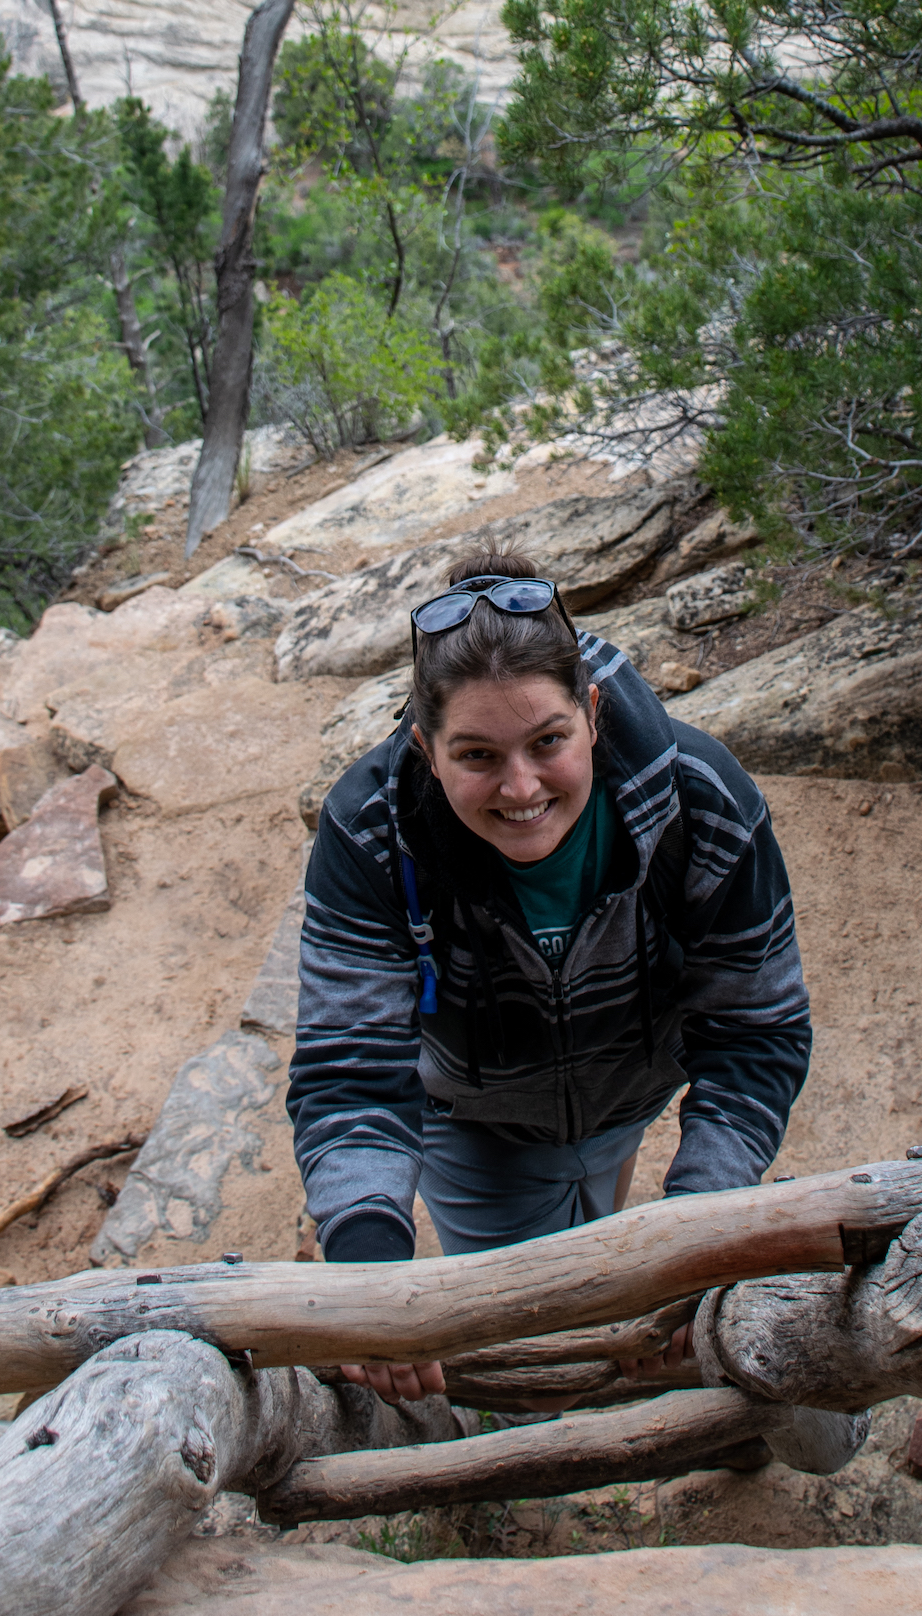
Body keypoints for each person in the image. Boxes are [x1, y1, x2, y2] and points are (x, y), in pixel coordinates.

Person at [288, 548, 812, 1397]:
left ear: (593, 714)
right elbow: (350, 1069)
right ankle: (538, 1430)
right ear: (425, 746)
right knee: (534, 1355)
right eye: (478, 756)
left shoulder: (704, 796)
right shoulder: (368, 830)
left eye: (548, 741)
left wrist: (694, 1229)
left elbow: (757, 1028)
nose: (521, 785)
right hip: (474, 1123)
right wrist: (371, 1270)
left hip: (627, 1092)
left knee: (614, 1264)